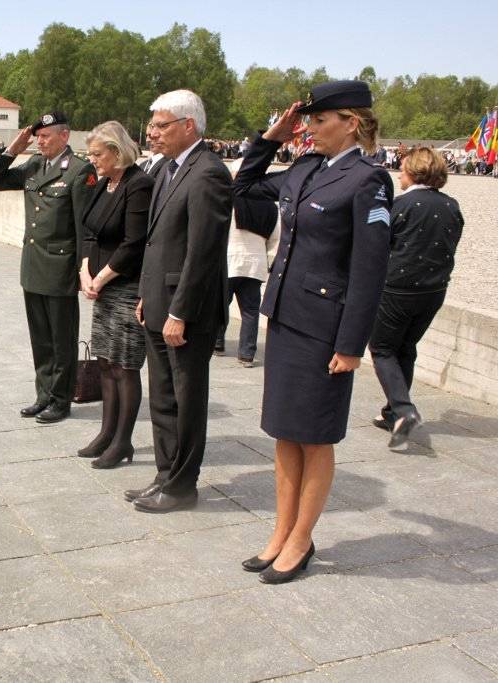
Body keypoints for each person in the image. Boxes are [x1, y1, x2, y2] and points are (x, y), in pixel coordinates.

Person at [233, 80, 393, 583]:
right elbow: (242, 189)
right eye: (307, 120)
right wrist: (269, 139)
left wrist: (350, 345)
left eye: (318, 120)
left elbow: (370, 271)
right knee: (284, 432)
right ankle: (281, 533)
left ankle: (301, 541)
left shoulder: (369, 180)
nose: (309, 128)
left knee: (315, 439)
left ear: (350, 121)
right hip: (286, 318)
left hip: (325, 329)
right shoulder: (304, 168)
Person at [125, 90, 232, 514]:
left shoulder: (208, 173)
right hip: (157, 301)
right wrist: (145, 296)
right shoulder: (169, 169)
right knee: (163, 398)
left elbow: (203, 253)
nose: (152, 133)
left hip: (185, 311)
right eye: (151, 126)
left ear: (189, 126)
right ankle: (165, 474)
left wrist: (178, 312)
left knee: (186, 399)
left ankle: (183, 484)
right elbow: (159, 243)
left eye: (160, 125)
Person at [0, 111, 96, 423]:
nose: (40, 141)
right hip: (33, 266)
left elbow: (82, 228)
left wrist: (81, 271)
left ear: (64, 136)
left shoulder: (79, 170)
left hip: (60, 268)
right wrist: (12, 150)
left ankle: (61, 400)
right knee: (41, 339)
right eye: (37, 136)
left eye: (45, 136)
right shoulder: (34, 165)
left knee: (61, 339)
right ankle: (43, 394)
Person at [369, 147, 463, 449]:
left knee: (383, 349)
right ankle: (392, 413)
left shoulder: (401, 205)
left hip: (398, 289)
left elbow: (380, 244)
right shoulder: (452, 206)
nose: (399, 174)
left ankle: (404, 409)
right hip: (434, 290)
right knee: (406, 348)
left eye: (403, 169)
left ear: (413, 172)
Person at [78, 121, 153, 467]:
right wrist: (85, 272)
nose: (91, 159)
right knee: (106, 362)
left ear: (116, 150)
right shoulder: (105, 184)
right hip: (101, 286)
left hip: (125, 286)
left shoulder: (138, 184)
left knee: (124, 366)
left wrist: (102, 278)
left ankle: (123, 440)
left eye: (96, 153)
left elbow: (133, 244)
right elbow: (89, 231)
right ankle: (106, 433)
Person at [215, 159, 280, 366]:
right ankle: (247, 353)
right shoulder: (270, 204)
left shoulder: (227, 199)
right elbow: (276, 237)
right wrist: (267, 257)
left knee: (220, 306)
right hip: (255, 263)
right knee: (250, 311)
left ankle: (217, 343)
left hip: (229, 260)